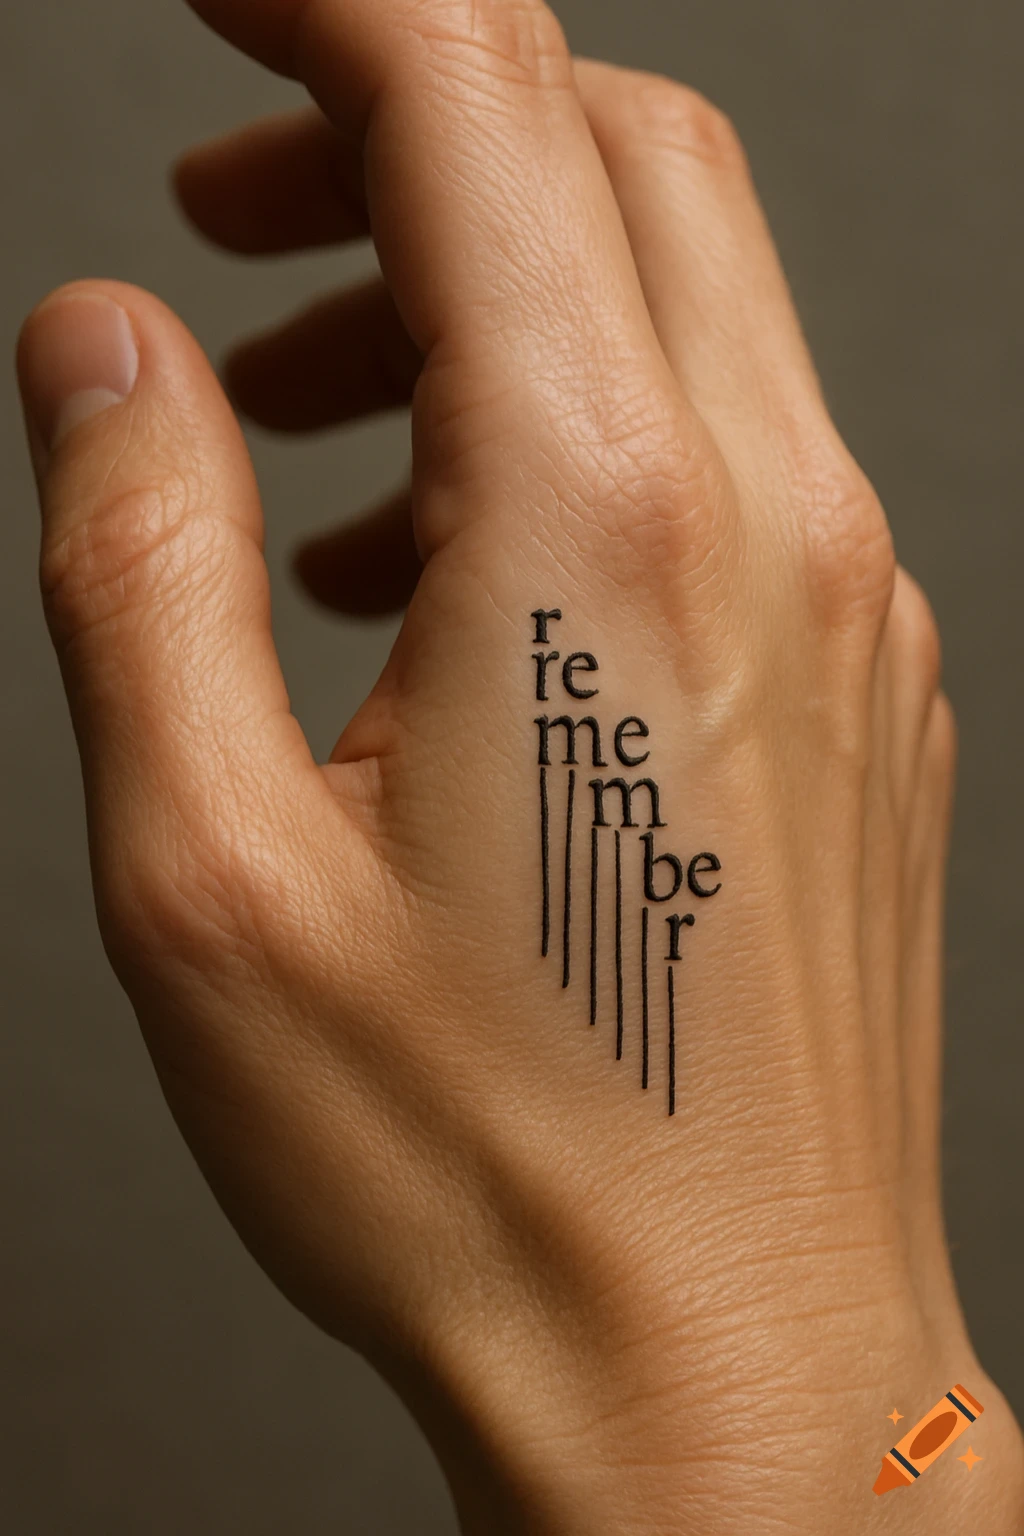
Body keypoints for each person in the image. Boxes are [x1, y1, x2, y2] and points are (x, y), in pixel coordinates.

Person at [15, 0, 1024, 1530]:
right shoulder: (944, 1442)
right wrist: (888, 1403)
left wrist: (778, 1414)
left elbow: (919, 1451)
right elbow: (932, 1444)